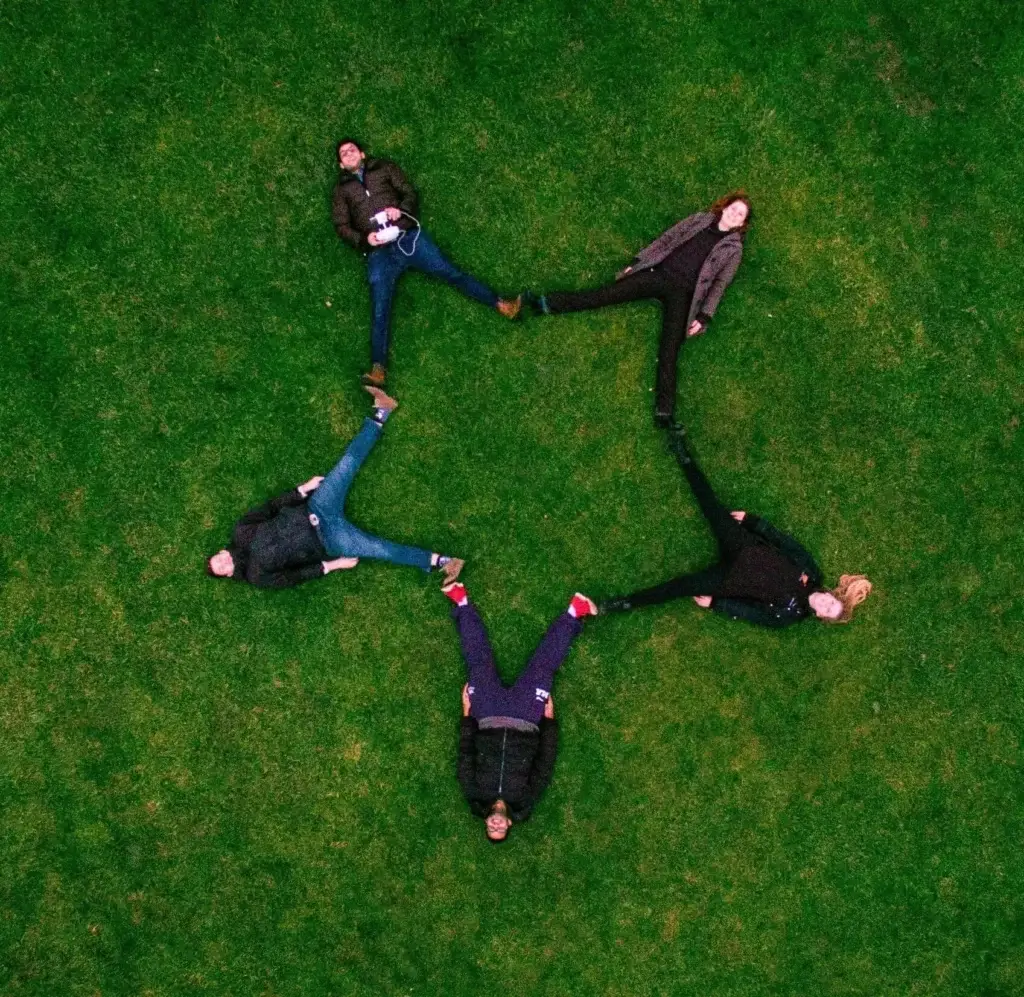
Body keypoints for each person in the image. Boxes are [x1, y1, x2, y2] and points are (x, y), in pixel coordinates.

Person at [599, 428, 872, 626]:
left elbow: (751, 612)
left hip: (729, 580)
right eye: (831, 602)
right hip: (743, 545)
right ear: (830, 594)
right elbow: (785, 543)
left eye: (827, 610)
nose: (825, 604)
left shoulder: (788, 617)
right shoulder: (811, 572)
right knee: (710, 504)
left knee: (679, 587)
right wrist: (753, 521)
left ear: (821, 617)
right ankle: (682, 452)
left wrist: (716, 604)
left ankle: (622, 603)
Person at [526, 193, 751, 427]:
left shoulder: (734, 250)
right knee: (604, 295)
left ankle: (665, 411)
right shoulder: (699, 220)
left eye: (740, 214)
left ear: (742, 223)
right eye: (734, 208)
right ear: (724, 207)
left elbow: (720, 285)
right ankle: (546, 303)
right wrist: (637, 262)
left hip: (683, 296)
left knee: (670, 349)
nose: (734, 214)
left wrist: (704, 316)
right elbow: (667, 239)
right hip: (658, 274)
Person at [207, 387, 464, 588]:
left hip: (317, 505)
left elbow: (271, 506)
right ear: (228, 574)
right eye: (220, 567)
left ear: (222, 551)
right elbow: (297, 576)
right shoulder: (257, 576)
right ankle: (443, 562)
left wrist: (302, 489)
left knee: (346, 465)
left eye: (217, 558)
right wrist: (336, 564)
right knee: (380, 549)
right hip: (330, 541)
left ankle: (381, 411)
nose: (222, 561)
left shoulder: (242, 531)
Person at [331, 138, 521, 386]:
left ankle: (501, 305)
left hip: (407, 236)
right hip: (379, 253)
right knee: (380, 307)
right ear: (341, 165)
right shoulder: (341, 191)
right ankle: (378, 369)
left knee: (449, 271)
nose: (348, 154)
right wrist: (365, 239)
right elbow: (341, 226)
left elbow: (409, 193)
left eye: (352, 150)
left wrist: (400, 210)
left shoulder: (384, 168)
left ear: (362, 154)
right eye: (344, 154)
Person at [446, 582, 598, 841]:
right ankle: (575, 612)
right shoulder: (527, 798)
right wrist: (549, 722)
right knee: (543, 667)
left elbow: (466, 751)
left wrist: (466, 712)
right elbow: (545, 762)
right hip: (527, 717)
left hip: (486, 715)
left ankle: (461, 602)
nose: (495, 825)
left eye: (490, 828)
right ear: (509, 825)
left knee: (477, 663)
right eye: (500, 829)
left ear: (486, 822)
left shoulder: (473, 791)